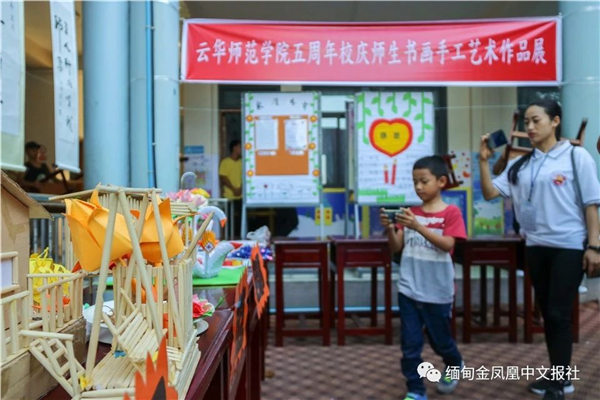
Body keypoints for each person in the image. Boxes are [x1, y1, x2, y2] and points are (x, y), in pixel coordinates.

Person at [478, 98, 600, 400]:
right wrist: (483, 161)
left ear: (555, 121)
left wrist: (594, 246)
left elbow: (591, 204)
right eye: (527, 122)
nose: (530, 127)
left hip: (569, 247)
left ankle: (559, 384)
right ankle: (559, 375)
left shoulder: (577, 156)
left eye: (536, 120)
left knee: (559, 314)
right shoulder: (521, 164)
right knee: (549, 314)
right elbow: (491, 192)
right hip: (535, 247)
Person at [380, 155, 466, 400]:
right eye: (414, 182)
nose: (418, 187)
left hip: (438, 291)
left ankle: (454, 362)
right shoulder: (410, 213)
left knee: (441, 341)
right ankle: (416, 390)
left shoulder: (451, 213)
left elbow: (447, 244)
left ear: (441, 181)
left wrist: (418, 226)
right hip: (409, 288)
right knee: (410, 344)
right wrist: (390, 228)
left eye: (424, 181)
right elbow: (397, 248)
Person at [219, 139, 242, 238]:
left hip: (241, 197)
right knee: (228, 221)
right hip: (228, 197)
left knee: (239, 221)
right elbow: (223, 177)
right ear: (234, 148)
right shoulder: (225, 162)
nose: (241, 149)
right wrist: (233, 189)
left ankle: (239, 239)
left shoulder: (242, 162)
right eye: (240, 147)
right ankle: (227, 239)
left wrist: (241, 189)